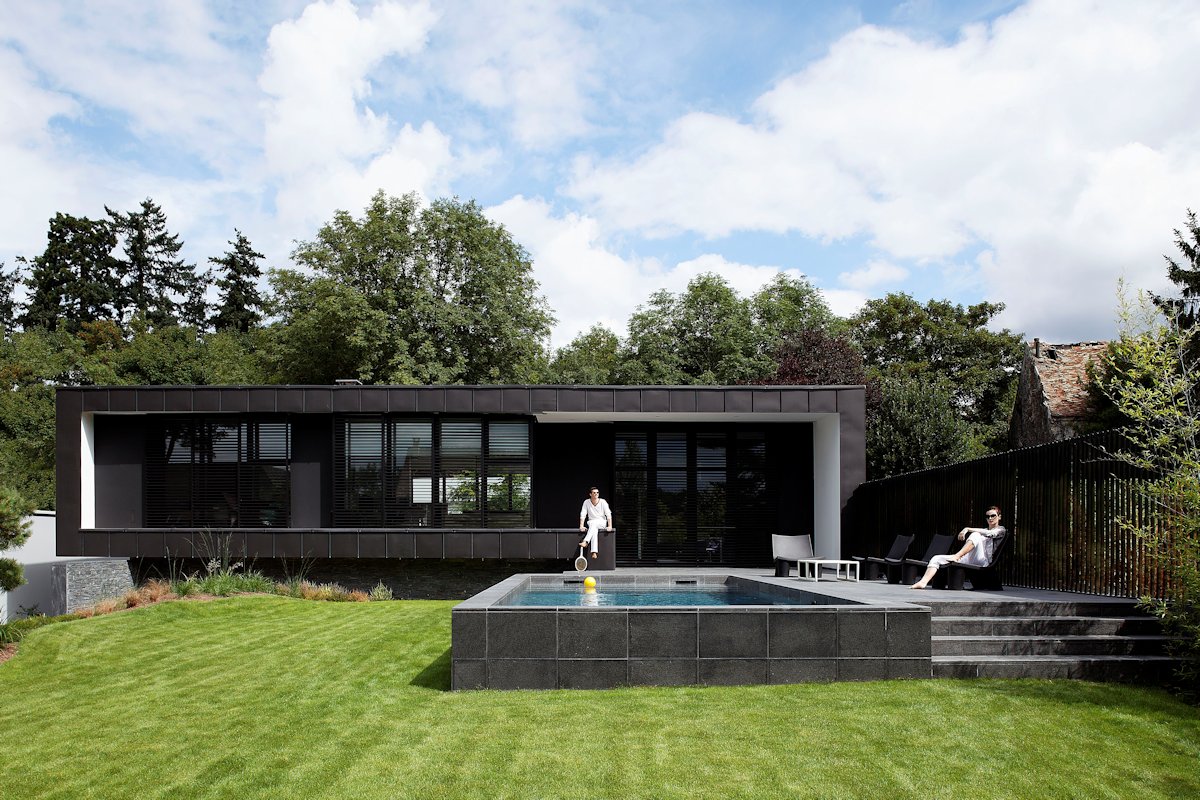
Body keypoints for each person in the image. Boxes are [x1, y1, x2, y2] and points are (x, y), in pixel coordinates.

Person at [910, 506, 1007, 589]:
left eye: (993, 515)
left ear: (999, 517)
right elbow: (985, 532)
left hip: (983, 560)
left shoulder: (1001, 530)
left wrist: (967, 529)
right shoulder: (983, 530)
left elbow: (990, 533)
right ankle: (923, 582)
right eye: (988, 516)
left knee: (976, 534)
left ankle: (957, 555)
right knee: (936, 558)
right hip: (970, 558)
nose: (990, 518)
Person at [578, 487, 613, 560]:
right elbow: (583, 514)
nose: (596, 494)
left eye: (597, 492)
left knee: (593, 525)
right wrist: (581, 526)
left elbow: (608, 514)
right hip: (591, 522)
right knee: (594, 528)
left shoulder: (603, 502)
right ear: (590, 494)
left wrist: (610, 526)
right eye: (594, 493)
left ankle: (585, 541)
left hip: (601, 522)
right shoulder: (586, 502)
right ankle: (594, 552)